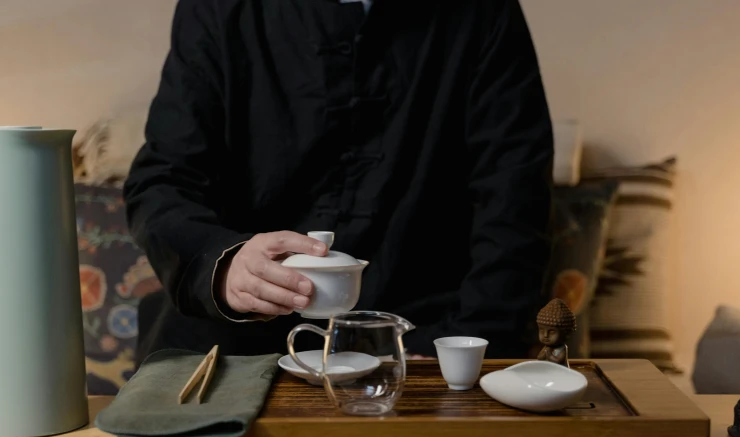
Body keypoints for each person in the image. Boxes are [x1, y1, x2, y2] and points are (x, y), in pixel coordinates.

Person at [124, 0, 554, 365]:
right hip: (235, 341)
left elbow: (514, 203)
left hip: (425, 334)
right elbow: (163, 182)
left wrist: (466, 345)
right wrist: (226, 265)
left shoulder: (483, 12)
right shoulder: (218, 9)